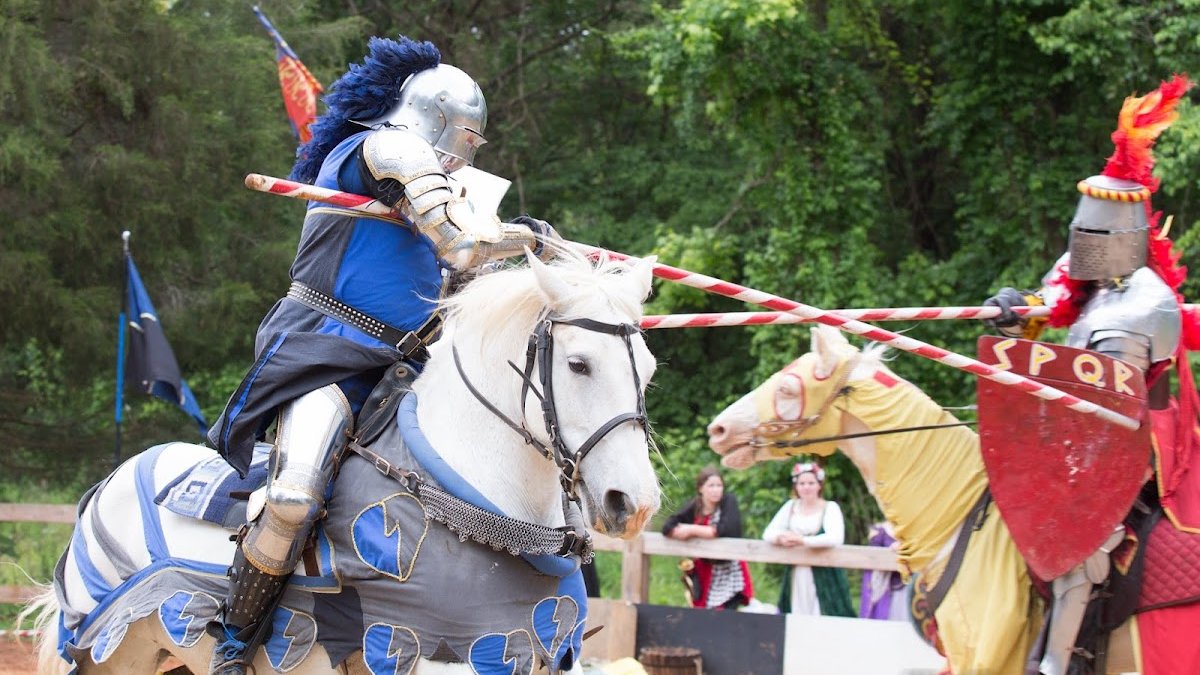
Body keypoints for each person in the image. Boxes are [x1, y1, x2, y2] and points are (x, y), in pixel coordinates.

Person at [205, 35, 559, 674]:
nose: (469, 153)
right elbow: (460, 247)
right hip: (328, 352)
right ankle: (236, 638)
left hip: (408, 371)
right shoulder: (385, 147)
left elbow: (462, 281)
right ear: (440, 123)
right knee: (293, 497)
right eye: (468, 136)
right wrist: (531, 239)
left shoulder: (438, 191)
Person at [982, 75, 1198, 675]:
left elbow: (1114, 396)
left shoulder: (1142, 303)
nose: (1081, 245)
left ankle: (1061, 662)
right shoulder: (1095, 280)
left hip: (1137, 435)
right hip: (1084, 426)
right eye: (1081, 234)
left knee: (1086, 533)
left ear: (1125, 240)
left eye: (1094, 236)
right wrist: (1014, 313)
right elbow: (1048, 302)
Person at [762, 462, 855, 617]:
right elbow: (768, 533)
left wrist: (803, 541)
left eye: (811, 483)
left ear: (819, 485)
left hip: (825, 569)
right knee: (796, 609)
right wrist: (780, 538)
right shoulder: (791, 506)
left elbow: (835, 538)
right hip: (797, 570)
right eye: (802, 483)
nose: (806, 487)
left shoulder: (830, 508)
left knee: (825, 611)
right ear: (796, 486)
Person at [661, 466, 754, 609]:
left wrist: (692, 529)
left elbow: (727, 530)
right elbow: (668, 526)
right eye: (711, 486)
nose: (716, 490)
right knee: (703, 613)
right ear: (701, 488)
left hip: (729, 570)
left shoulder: (728, 501)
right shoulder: (695, 506)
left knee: (724, 614)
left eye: (719, 485)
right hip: (705, 571)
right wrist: (679, 532)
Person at [858, 521, 908, 621]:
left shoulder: (917, 531)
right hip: (886, 588)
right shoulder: (879, 531)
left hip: (909, 586)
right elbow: (873, 557)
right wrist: (890, 552)